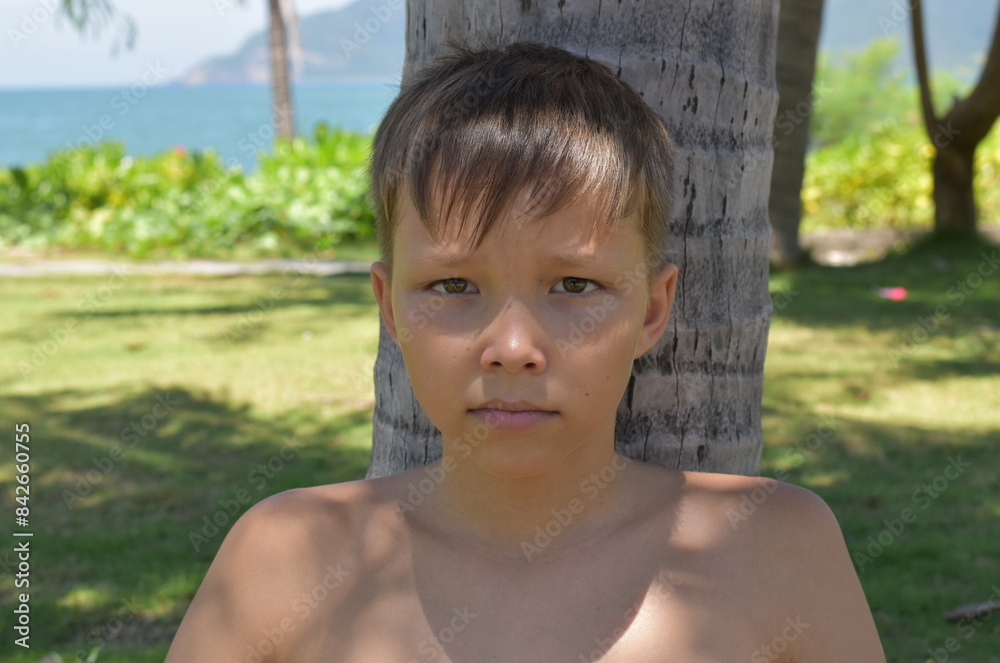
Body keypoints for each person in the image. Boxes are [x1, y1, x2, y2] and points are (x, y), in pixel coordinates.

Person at [166, 41, 886, 662]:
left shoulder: (776, 548)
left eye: (575, 284)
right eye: (453, 285)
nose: (513, 348)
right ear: (389, 307)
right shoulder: (286, 557)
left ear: (653, 309)